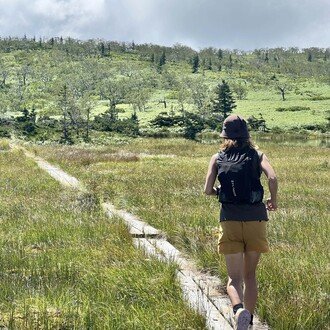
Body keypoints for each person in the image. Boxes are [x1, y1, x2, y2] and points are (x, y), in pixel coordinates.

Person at [204, 114, 278, 330]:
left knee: (233, 278)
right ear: (247, 134)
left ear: (224, 135)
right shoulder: (257, 155)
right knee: (250, 275)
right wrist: (273, 200)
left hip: (229, 220)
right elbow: (272, 178)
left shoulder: (217, 158)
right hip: (256, 219)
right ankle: (250, 320)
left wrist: (220, 191)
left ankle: (239, 310)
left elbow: (207, 190)